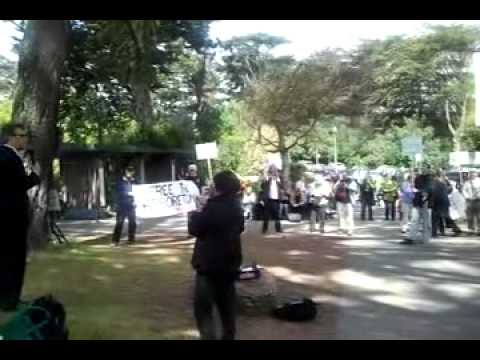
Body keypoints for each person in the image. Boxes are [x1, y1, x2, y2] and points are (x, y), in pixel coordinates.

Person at [188, 170, 244, 340]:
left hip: (208, 266)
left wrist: (196, 211)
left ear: (219, 187)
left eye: (213, 184)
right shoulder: (237, 206)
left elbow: (195, 229)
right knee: (227, 309)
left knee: (203, 310)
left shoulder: (212, 207)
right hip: (230, 264)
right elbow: (240, 228)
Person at [0, 123, 40, 311]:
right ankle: (10, 300)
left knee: (5, 258)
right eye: (22, 135)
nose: (25, 139)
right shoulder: (9, 157)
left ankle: (6, 298)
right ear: (11, 137)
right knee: (14, 258)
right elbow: (18, 185)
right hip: (12, 217)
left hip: (6, 217)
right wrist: (35, 175)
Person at [403, 169, 433, 245]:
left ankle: (412, 237)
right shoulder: (429, 183)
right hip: (425, 204)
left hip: (420, 203)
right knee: (425, 222)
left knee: (415, 221)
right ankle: (425, 239)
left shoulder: (422, 185)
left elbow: (422, 195)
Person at [112, 165, 137, 246]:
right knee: (119, 223)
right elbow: (116, 192)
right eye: (129, 171)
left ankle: (131, 239)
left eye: (131, 171)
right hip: (122, 205)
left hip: (131, 205)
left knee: (132, 223)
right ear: (126, 172)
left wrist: (137, 201)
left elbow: (140, 191)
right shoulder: (120, 181)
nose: (130, 173)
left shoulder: (135, 181)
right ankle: (116, 240)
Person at [259, 165, 284, 234]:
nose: (274, 172)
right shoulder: (267, 179)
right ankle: (264, 229)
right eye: (272, 170)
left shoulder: (278, 179)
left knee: (277, 215)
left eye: (275, 170)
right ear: (270, 171)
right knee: (266, 215)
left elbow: (282, 187)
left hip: (276, 200)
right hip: (268, 199)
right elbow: (262, 187)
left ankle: (278, 229)